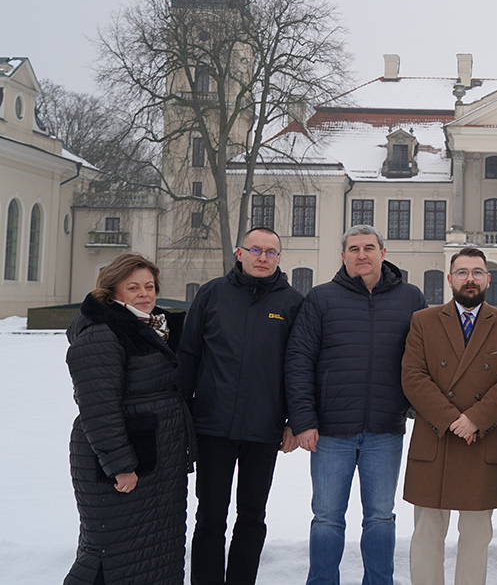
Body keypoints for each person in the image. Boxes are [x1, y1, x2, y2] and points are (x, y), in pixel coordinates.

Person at [285, 225, 427, 585]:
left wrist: (415, 408)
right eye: (353, 249)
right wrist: (303, 420)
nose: (361, 254)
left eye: (368, 247)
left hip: (385, 428)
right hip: (331, 432)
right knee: (327, 517)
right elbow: (299, 360)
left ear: (383, 251)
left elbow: (425, 358)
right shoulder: (321, 298)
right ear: (343, 255)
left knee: (381, 516)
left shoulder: (411, 298)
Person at [179, 226, 305, 585]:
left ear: (280, 258)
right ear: (240, 253)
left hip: (263, 429)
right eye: (255, 250)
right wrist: (183, 414)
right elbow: (189, 356)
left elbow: (297, 368)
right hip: (213, 426)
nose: (262, 257)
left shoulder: (292, 303)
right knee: (210, 517)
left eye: (271, 252)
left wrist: (293, 420)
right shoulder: (212, 295)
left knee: (252, 517)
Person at [64, 253, 192, 585]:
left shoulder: (154, 326)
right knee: (111, 551)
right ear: (113, 292)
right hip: (124, 460)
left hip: (158, 458)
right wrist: (120, 463)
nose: (144, 294)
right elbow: (97, 406)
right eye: (132, 287)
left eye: (149, 286)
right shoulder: (102, 333)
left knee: (155, 551)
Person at [402, 247, 497, 585]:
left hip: (482, 440)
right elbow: (413, 376)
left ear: (488, 278)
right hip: (435, 437)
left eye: (476, 272)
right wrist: (451, 419)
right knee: (427, 533)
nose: (469, 279)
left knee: (476, 537)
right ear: (450, 279)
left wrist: (475, 419)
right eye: (462, 272)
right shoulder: (423, 321)